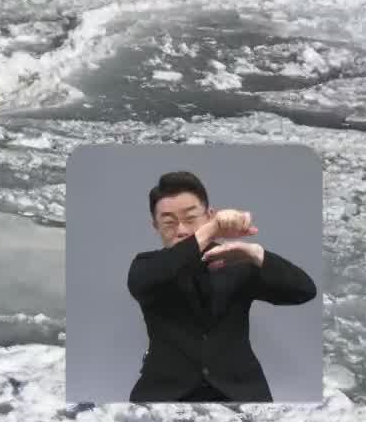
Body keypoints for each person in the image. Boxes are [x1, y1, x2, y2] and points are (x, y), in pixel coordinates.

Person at [126, 170, 318, 402]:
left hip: (241, 392)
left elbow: (304, 290)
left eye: (190, 218)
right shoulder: (146, 265)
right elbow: (149, 279)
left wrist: (255, 253)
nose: (182, 230)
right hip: (164, 393)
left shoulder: (238, 262)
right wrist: (211, 230)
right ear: (155, 226)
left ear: (209, 214)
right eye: (168, 222)